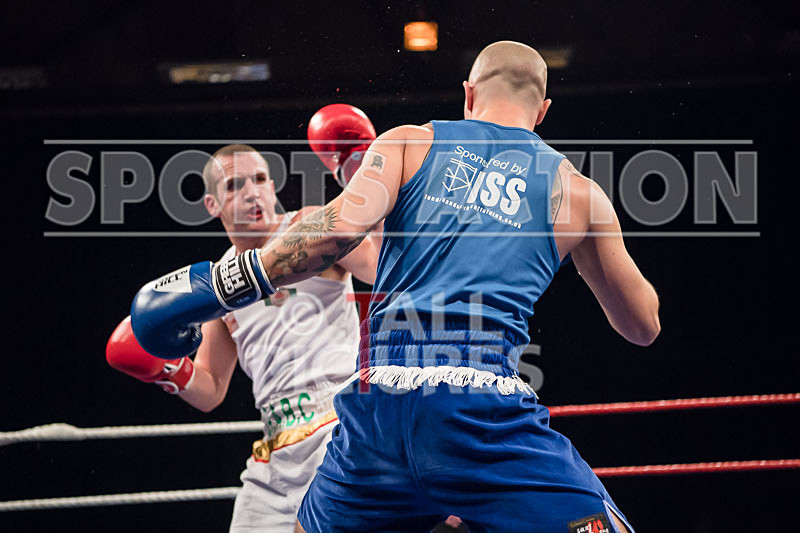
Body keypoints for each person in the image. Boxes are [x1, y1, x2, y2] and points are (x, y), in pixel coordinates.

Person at [129, 41, 660, 532]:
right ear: (543, 111)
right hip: (480, 414)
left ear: (468, 96)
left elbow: (333, 234)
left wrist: (219, 285)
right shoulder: (580, 193)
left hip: (374, 410)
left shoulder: (409, 142)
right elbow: (643, 326)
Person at [108, 106, 382, 532]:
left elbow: (379, 267)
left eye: (259, 180)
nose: (252, 193)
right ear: (213, 204)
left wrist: (362, 176)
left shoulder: (307, 227)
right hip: (275, 452)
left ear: (273, 186)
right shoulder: (216, 286)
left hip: (340, 427)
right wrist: (164, 368)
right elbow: (211, 390)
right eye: (236, 185)